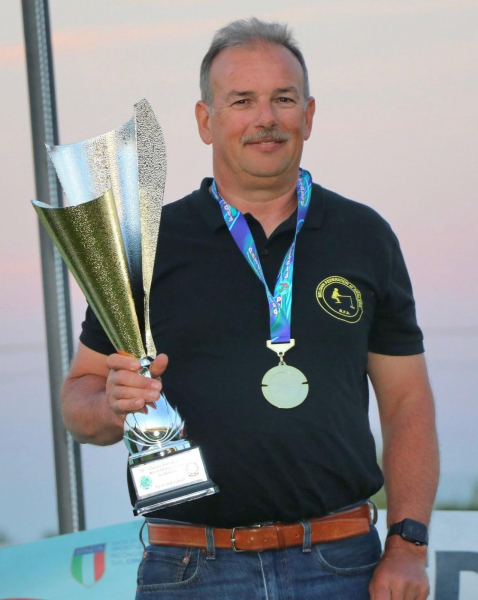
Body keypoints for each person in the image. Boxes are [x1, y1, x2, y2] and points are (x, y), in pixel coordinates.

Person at [62, 18, 439, 600]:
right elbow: (79, 400)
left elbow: (407, 403)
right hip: (190, 570)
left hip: (341, 565)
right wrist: (112, 404)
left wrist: (408, 545)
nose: (266, 118)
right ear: (205, 120)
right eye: (242, 100)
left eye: (283, 99)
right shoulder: (147, 244)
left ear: (308, 115)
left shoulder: (364, 237)